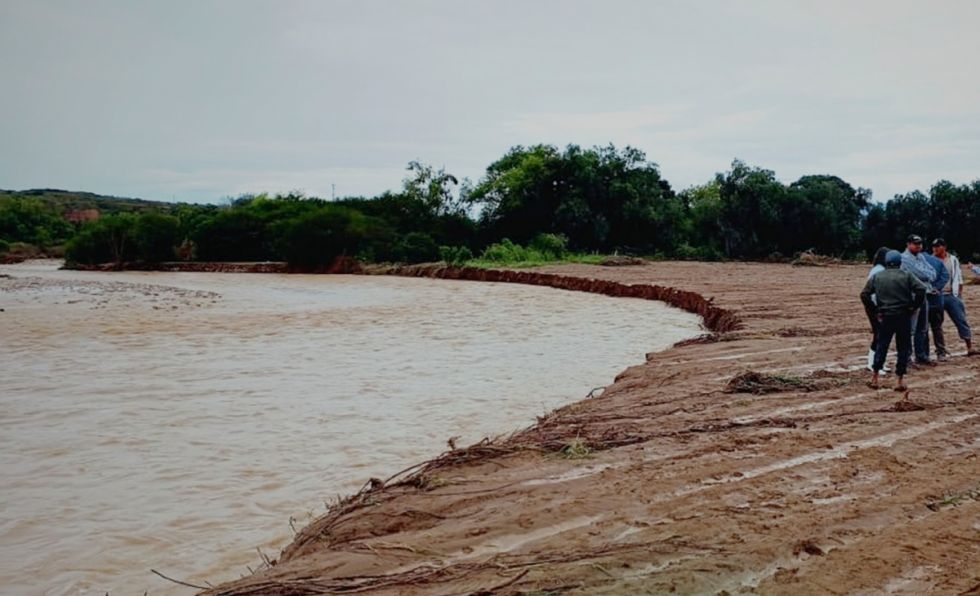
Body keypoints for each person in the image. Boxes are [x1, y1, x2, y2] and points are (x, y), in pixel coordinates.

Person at [861, 250, 928, 391]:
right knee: (903, 347)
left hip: (885, 316)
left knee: (882, 345)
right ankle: (899, 379)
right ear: (900, 262)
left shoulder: (878, 276)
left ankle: (875, 377)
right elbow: (921, 289)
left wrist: (875, 310)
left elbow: (864, 294)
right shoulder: (907, 275)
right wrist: (914, 307)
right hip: (903, 315)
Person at [932, 238, 976, 356]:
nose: (935, 248)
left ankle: (969, 346)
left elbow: (958, 276)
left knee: (961, 320)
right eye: (934, 246)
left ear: (944, 247)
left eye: (938, 246)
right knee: (937, 324)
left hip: (952, 294)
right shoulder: (931, 260)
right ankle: (940, 350)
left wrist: (959, 294)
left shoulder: (953, 259)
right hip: (938, 295)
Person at [900, 235, 937, 365]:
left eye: (920, 244)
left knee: (923, 327)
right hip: (911, 297)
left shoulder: (920, 256)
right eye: (915, 244)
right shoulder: (904, 259)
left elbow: (933, 273)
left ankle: (921, 355)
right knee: (910, 329)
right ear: (908, 244)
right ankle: (907, 358)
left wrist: (926, 274)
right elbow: (922, 274)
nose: (918, 246)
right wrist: (927, 274)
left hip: (923, 295)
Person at [864, 247, 891, 371]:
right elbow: (874, 293)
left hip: (877, 306)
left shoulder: (879, 270)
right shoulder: (879, 271)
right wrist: (878, 309)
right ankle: (873, 363)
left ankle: (879, 362)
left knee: (882, 335)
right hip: (876, 307)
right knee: (879, 335)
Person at [923, 248, 950, 360]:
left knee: (922, 329)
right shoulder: (937, 261)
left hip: (922, 299)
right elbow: (945, 276)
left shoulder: (913, 263)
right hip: (936, 299)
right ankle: (941, 352)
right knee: (937, 327)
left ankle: (924, 354)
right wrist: (936, 288)